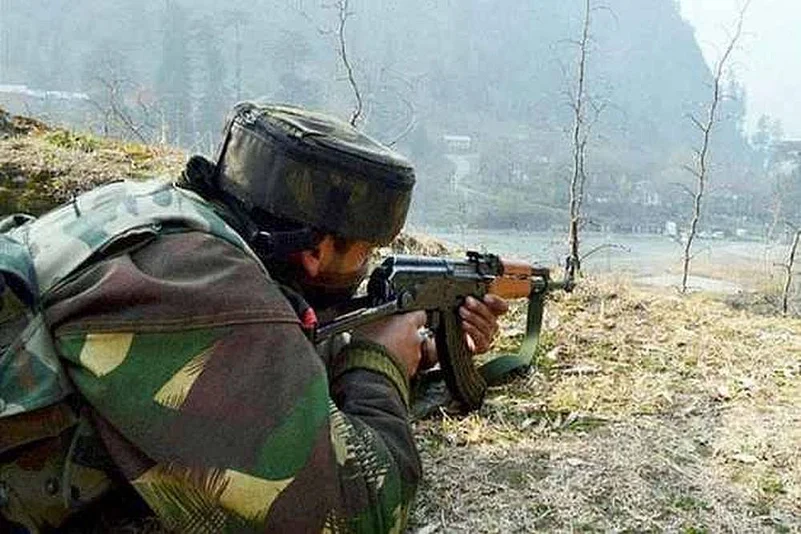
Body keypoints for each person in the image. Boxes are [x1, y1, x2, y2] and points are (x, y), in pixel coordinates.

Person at [0, 102, 507, 533]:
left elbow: (267, 351)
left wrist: (421, 350)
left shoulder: (157, 218)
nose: (367, 265)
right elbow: (356, 511)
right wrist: (379, 363)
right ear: (316, 251)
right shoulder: (204, 286)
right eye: (365, 251)